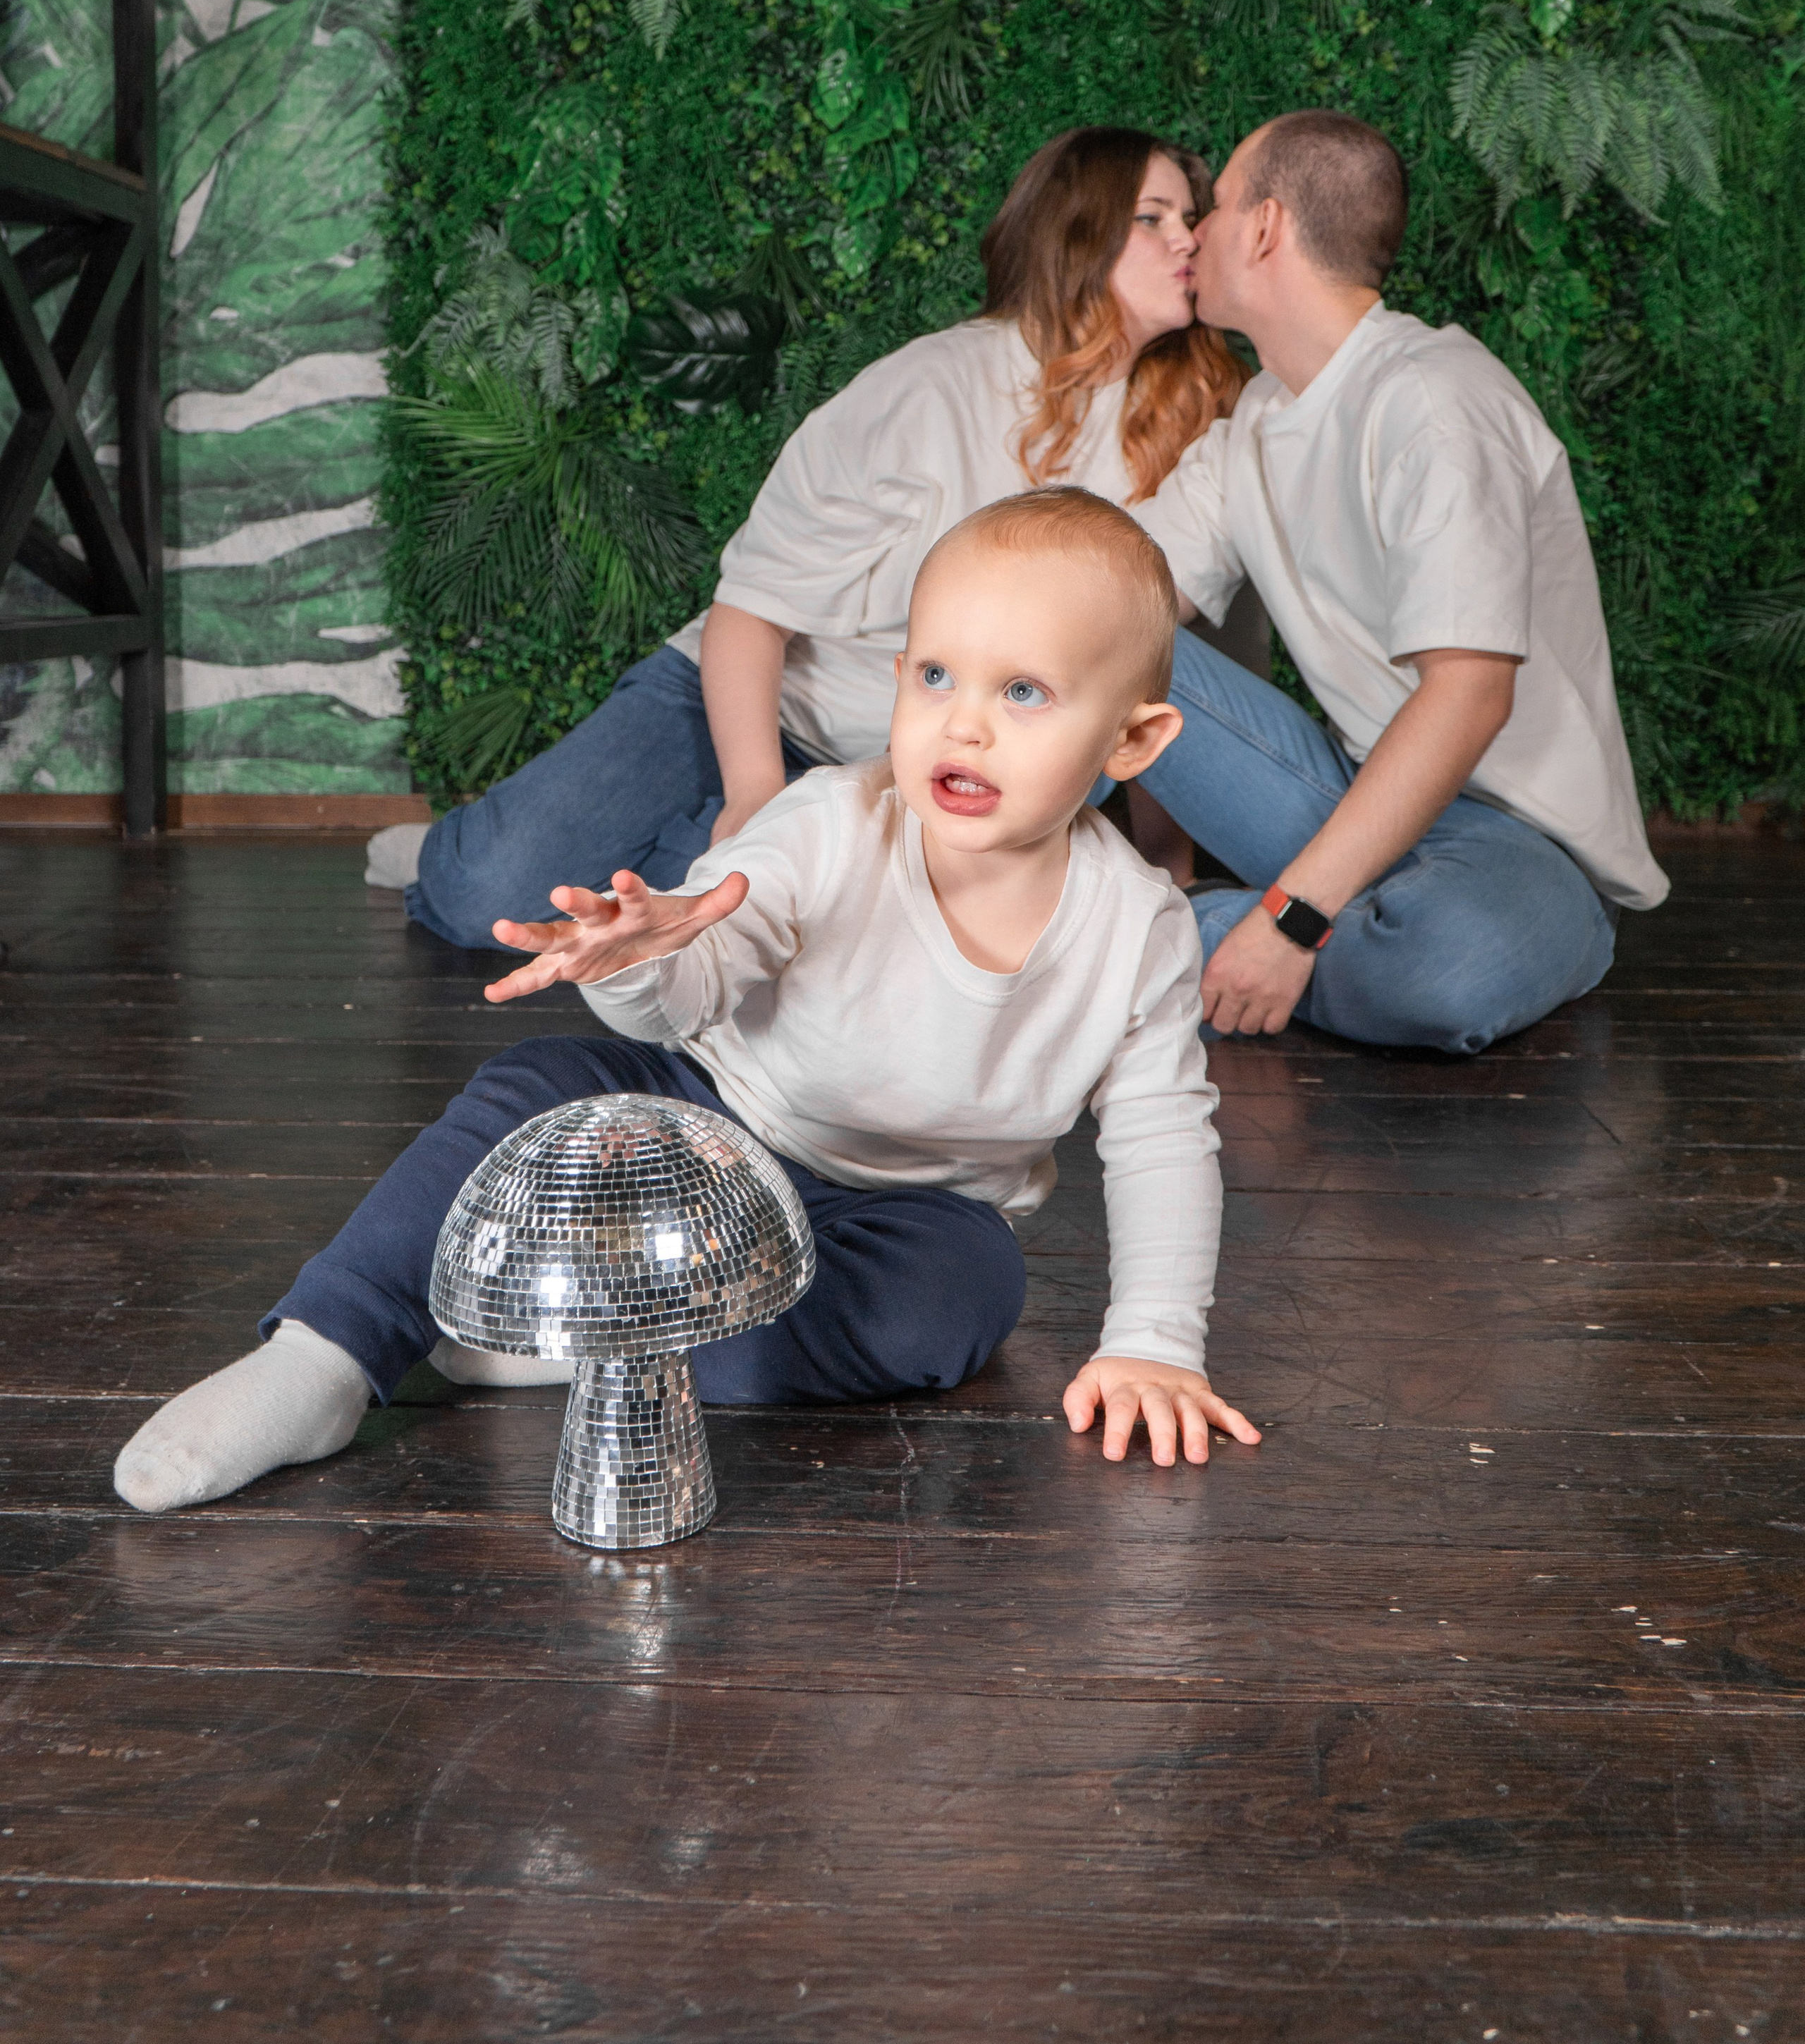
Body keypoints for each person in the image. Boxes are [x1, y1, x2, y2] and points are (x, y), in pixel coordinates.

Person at [114, 490, 1261, 1515]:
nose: (963, 723)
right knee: (530, 1087)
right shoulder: (828, 822)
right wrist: (640, 956)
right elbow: (705, 970)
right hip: (706, 1115)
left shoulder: (1139, 929)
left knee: (960, 1304)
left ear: (1133, 739)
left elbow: (1162, 1135)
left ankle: (589, 1337)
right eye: (934, 675)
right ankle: (325, 1356)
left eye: (1023, 692)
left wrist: (1157, 1342)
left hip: (904, 1209)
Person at [370, 128, 1249, 944]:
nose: (1188, 238)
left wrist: (1166, 866)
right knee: (480, 895)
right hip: (748, 696)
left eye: (1190, 217)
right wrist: (755, 792)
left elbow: (1154, 666)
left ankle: (663, 843)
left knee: (686, 928)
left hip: (900, 773)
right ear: (1075, 236)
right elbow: (750, 612)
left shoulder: (1199, 426)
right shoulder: (928, 387)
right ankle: (471, 845)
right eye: (1151, 217)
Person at [1132, 109, 1669, 1056]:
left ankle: (1123, 942)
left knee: (1445, 975)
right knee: (1093, 637)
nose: (1197, 236)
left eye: (1214, 208)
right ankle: (1289, 918)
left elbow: (1469, 697)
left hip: (1515, 842)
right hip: (1350, 796)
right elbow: (1116, 592)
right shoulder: (1255, 419)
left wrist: (1291, 922)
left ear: (1264, 228)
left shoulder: (1432, 400)